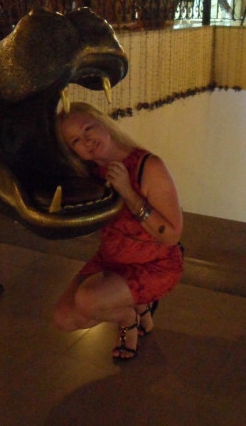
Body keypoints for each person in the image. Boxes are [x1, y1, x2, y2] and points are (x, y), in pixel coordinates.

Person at [53, 102, 184, 360]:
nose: (87, 141)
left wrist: (128, 192)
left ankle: (127, 320)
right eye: (76, 140)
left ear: (103, 123)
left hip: (154, 264)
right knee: (63, 318)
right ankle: (136, 307)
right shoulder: (90, 172)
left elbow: (171, 236)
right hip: (111, 259)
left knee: (88, 301)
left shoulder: (148, 166)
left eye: (88, 128)